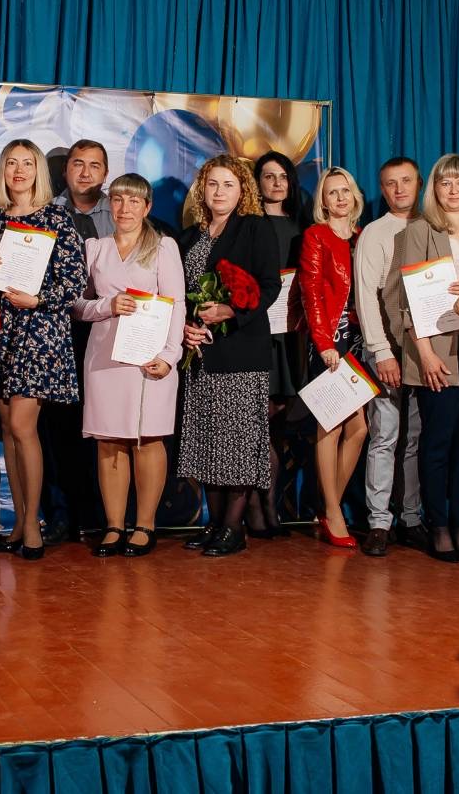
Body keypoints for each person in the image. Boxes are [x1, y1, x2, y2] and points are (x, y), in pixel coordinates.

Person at [384, 154, 459, 562]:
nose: (453, 190)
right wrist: (426, 355)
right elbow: (404, 300)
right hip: (438, 348)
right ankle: (438, 525)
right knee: (437, 443)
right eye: (445, 183)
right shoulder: (419, 231)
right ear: (433, 189)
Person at [0, 139, 88, 559]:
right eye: (12, 163)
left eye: (27, 163)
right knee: (7, 429)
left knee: (23, 426)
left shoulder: (56, 218)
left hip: (41, 332)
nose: (19, 170)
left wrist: (39, 299)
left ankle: (32, 524)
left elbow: (75, 281)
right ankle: (19, 519)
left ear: (38, 171)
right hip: (4, 331)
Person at [175, 155, 283, 557]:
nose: (219, 192)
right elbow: (181, 293)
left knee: (236, 444)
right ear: (202, 189)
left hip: (241, 351)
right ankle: (214, 523)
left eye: (228, 185)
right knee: (206, 442)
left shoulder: (255, 228)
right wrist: (185, 327)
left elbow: (269, 286)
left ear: (243, 191)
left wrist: (231, 312)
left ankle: (233, 528)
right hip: (200, 355)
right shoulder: (189, 237)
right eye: (213, 184)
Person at [72, 174, 184, 557]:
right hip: (104, 358)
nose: (125, 208)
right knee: (109, 441)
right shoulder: (95, 248)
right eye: (118, 200)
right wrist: (107, 306)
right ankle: (114, 525)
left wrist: (169, 356)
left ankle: (145, 524)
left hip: (149, 358)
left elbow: (176, 304)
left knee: (147, 439)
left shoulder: (163, 247)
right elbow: (77, 305)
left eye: (134, 201)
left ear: (147, 207)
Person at [352, 157, 426, 557]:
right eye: (391, 183)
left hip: (424, 350)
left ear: (419, 183)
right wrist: (381, 352)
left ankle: (411, 517)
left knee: (414, 437)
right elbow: (366, 296)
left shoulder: (432, 227)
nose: (399, 189)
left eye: (406, 181)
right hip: (388, 349)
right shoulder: (375, 233)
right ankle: (379, 522)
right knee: (385, 435)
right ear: (382, 190)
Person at [42, 138, 114, 542]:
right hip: (57, 331)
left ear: (106, 173)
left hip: (105, 332)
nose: (85, 173)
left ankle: (105, 515)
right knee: (57, 426)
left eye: (94, 165)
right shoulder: (46, 213)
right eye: (78, 164)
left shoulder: (119, 212)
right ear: (65, 169)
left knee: (103, 424)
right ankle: (61, 514)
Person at [295, 168, 367, 548]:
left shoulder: (361, 237)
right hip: (329, 341)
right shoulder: (316, 235)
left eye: (345, 191)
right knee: (332, 426)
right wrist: (323, 343)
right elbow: (310, 291)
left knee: (359, 430)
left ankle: (328, 506)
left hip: (357, 341)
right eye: (332, 192)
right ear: (322, 200)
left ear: (354, 196)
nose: (340, 198)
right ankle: (334, 513)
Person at [251, 150, 309, 537]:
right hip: (258, 332)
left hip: (291, 334)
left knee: (278, 423)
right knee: (256, 422)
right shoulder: (247, 225)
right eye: (268, 176)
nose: (276, 183)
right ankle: (259, 507)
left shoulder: (303, 227)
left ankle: (268, 504)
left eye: (282, 176)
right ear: (256, 183)